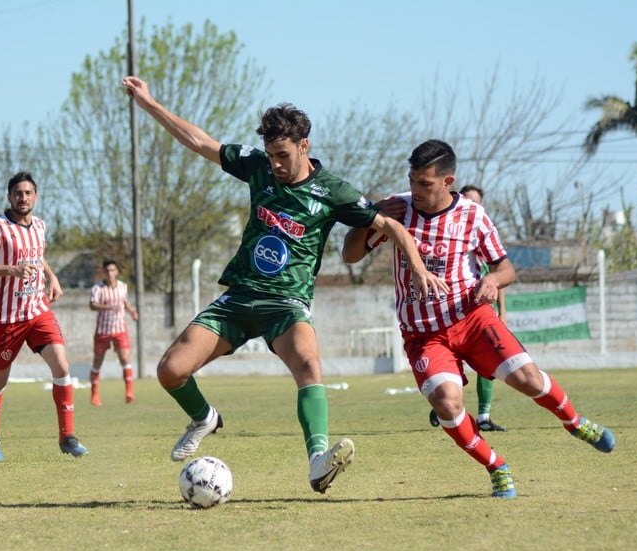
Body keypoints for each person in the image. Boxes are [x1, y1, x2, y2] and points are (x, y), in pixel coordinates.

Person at [122, 76, 448, 494]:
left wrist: (418, 269)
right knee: (170, 371)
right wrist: (150, 103)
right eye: (271, 154)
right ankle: (204, 417)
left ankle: (318, 461)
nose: (275, 163)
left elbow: (390, 226)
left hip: (287, 305)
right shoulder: (258, 167)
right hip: (239, 298)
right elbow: (200, 141)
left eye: (283, 155)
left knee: (309, 365)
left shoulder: (333, 192)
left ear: (304, 145)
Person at [342, 139, 615, 498]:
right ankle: (496, 467)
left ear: (448, 182)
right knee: (446, 403)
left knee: (528, 379)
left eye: (424, 183)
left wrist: (493, 280)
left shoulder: (472, 215)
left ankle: (575, 423)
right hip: (424, 334)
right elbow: (350, 255)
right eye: (412, 180)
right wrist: (371, 216)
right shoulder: (397, 209)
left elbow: (506, 268)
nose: (415, 190)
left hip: (472, 320)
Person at [0, 171, 88, 462]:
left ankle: (67, 436)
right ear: (9, 196)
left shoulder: (39, 225)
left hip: (37, 310)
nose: (23, 198)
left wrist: (52, 277)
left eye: (28, 193)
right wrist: (10, 270)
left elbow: (38, 255)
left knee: (61, 365)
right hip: (6, 317)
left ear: (35, 197)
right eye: (17, 193)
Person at [426, 185, 506, 432]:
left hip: (479, 314)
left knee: (490, 362)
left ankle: (483, 416)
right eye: (469, 200)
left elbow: (498, 274)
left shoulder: (483, 235)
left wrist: (502, 312)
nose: (473, 205)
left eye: (477, 202)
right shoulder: (451, 237)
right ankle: (444, 402)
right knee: (451, 365)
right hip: (451, 315)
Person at [89, 259, 139, 406]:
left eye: (112, 270)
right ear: (103, 272)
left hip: (119, 330)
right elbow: (92, 305)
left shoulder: (123, 286)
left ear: (117, 272)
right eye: (107, 271)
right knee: (97, 361)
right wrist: (108, 307)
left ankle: (129, 392)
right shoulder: (97, 288)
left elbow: (125, 301)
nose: (110, 273)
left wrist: (132, 311)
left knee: (125, 358)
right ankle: (94, 395)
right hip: (102, 330)